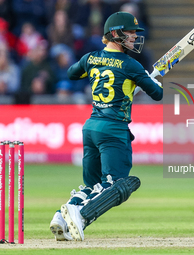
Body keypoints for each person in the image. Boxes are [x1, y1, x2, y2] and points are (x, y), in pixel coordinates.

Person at [49, 11, 163, 241]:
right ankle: (80, 215)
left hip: (91, 127)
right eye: (129, 33)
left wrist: (97, 71)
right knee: (116, 186)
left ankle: (61, 217)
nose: (133, 37)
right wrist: (152, 81)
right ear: (115, 34)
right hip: (113, 130)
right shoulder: (131, 65)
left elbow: (72, 74)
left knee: (92, 186)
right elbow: (158, 94)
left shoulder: (91, 58)